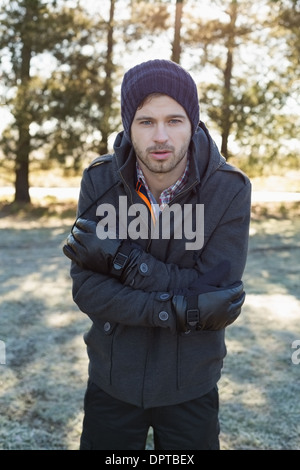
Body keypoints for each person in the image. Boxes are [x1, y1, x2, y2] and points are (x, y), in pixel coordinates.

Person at [63, 59, 251, 450]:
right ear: (128, 125)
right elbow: (87, 290)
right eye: (146, 121)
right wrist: (176, 309)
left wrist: (123, 260)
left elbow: (216, 291)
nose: (160, 136)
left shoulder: (230, 189)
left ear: (194, 122)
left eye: (175, 120)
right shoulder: (99, 181)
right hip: (113, 377)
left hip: (191, 383)